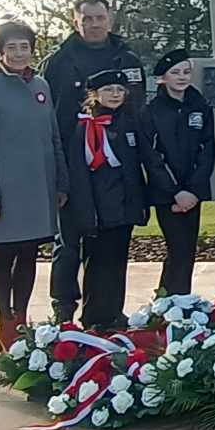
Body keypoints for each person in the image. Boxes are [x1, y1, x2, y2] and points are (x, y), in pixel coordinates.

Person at [40, 0, 147, 323]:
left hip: (116, 164)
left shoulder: (126, 58)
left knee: (112, 245)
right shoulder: (59, 61)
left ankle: (107, 310)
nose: (94, 24)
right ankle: (63, 307)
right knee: (69, 242)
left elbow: (137, 107)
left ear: (109, 20)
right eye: (87, 18)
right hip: (74, 162)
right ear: (76, 21)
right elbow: (48, 114)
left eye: (100, 17)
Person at [0, 20, 69, 352]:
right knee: (4, 255)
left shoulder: (40, 85)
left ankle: (22, 317)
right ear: (0, 51)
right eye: (11, 48)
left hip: (38, 189)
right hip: (4, 192)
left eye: (24, 47)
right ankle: (5, 320)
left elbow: (53, 138)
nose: (18, 53)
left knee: (28, 255)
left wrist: (60, 184)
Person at [61, 69, 148, 330]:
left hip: (124, 207)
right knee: (97, 263)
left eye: (120, 90)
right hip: (98, 207)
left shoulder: (130, 122)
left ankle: (114, 311)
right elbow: (79, 173)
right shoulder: (84, 127)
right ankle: (94, 315)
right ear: (95, 94)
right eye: (109, 90)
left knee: (118, 262)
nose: (115, 94)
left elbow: (136, 168)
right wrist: (87, 213)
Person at [141, 48, 215, 297]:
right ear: (163, 78)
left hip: (193, 193)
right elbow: (152, 156)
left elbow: (207, 149)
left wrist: (193, 190)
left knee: (187, 250)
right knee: (177, 248)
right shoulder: (152, 111)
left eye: (186, 72)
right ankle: (172, 301)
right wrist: (175, 192)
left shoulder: (201, 107)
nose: (182, 77)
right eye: (175, 73)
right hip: (167, 194)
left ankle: (173, 300)